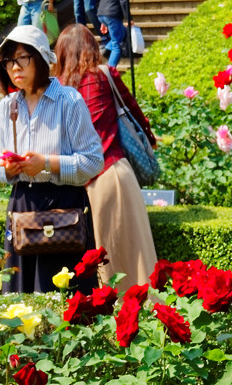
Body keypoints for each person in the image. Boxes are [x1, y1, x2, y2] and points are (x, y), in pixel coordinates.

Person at [0, 25, 104, 294]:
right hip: (22, 205)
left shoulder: (69, 101)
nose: (14, 67)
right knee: (20, 297)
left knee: (66, 299)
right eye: (8, 61)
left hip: (63, 207)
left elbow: (93, 161)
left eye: (21, 58)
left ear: (40, 58)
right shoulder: (8, 106)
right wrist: (7, 168)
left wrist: (48, 164)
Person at [55, 23, 157, 291]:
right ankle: (143, 322)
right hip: (113, 174)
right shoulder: (104, 75)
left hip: (73, 182)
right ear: (92, 47)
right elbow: (134, 113)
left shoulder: (58, 89)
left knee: (91, 269)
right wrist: (150, 140)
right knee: (134, 263)